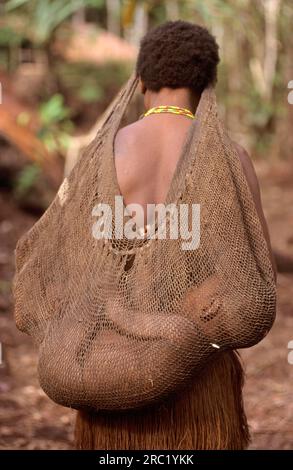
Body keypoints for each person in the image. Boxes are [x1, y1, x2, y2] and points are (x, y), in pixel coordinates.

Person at [75, 20, 276, 450]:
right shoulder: (230, 158)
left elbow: (79, 269)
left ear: (142, 81)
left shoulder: (104, 154)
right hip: (199, 381)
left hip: (112, 372)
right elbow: (256, 278)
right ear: (206, 85)